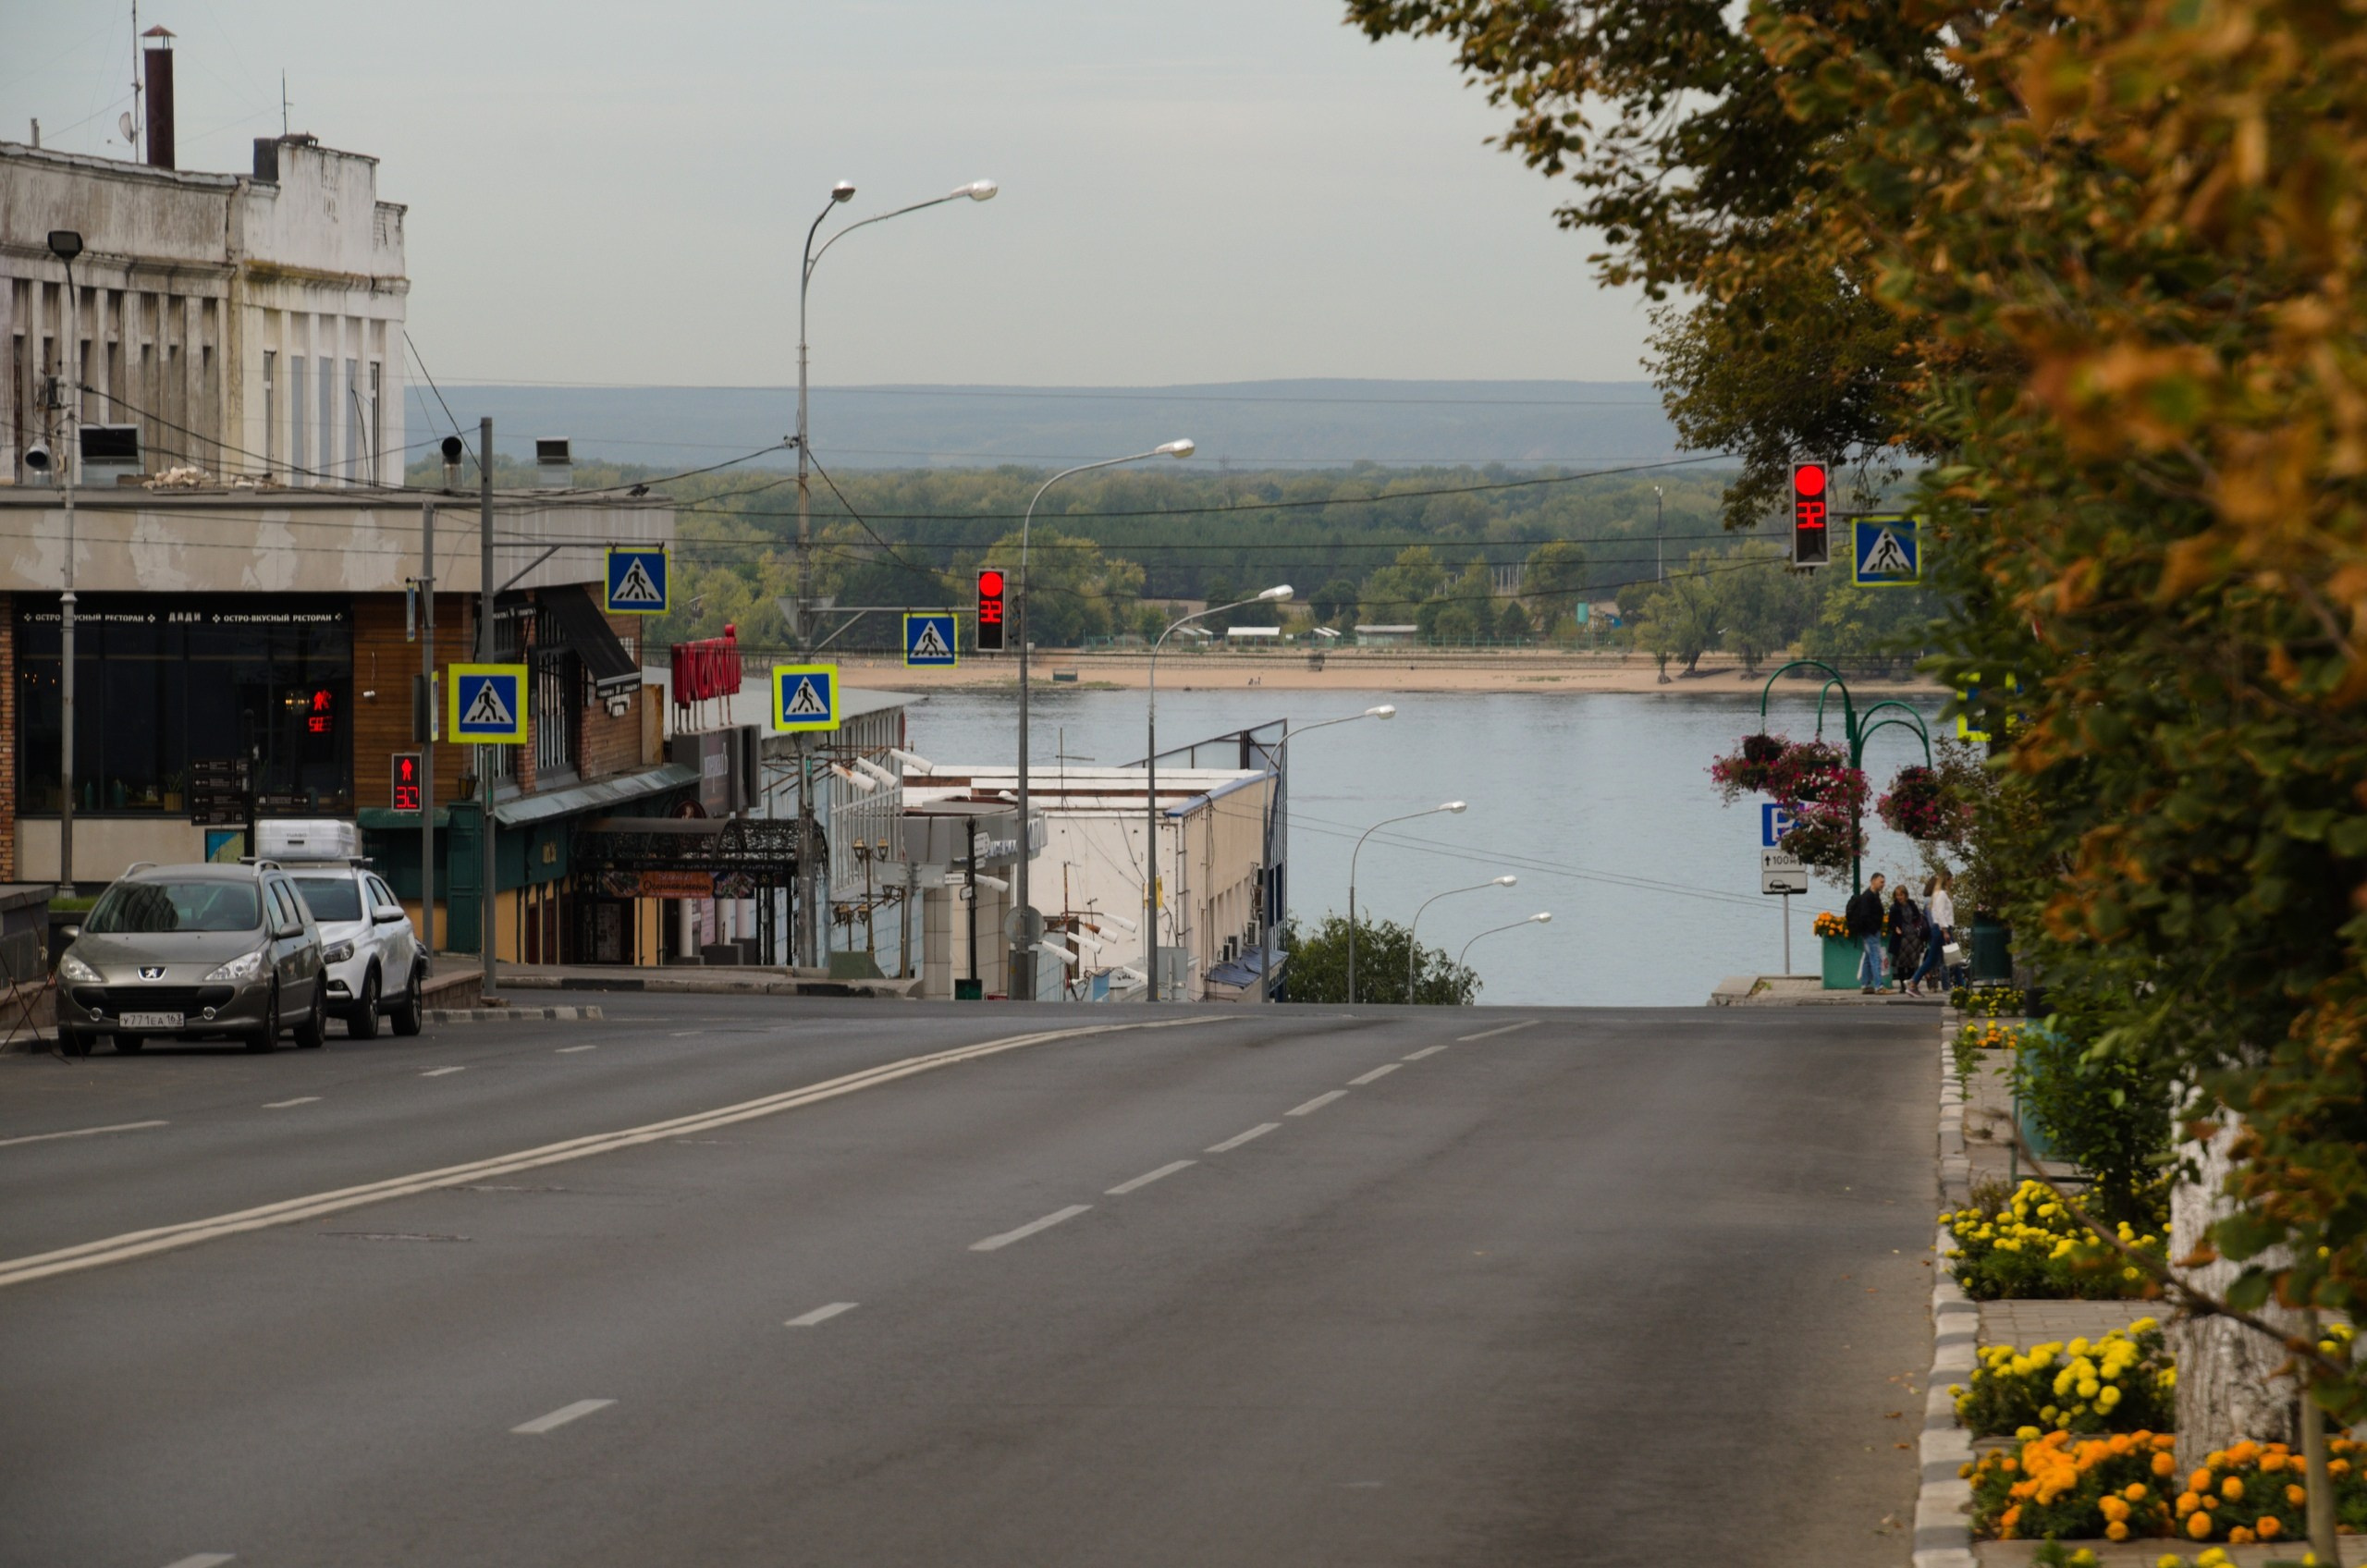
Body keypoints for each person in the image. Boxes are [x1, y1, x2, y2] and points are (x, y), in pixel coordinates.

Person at [1845, 873, 1888, 994]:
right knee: (1875, 957)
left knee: (1868, 958)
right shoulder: (1867, 897)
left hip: (1872, 931)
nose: (1883, 884)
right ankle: (1879, 986)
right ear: (1873, 881)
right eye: (1881, 882)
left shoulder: (1875, 895)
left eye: (1883, 882)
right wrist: (1873, 929)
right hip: (1870, 932)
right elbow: (1865, 916)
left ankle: (1865, 984)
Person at [1910, 873, 1950, 993]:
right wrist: (1942, 929)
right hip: (1936, 930)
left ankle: (1930, 984)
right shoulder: (1931, 900)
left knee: (1934, 958)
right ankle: (1942, 985)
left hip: (1933, 931)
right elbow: (1934, 917)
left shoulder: (1929, 899)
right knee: (1939, 959)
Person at [1888, 882, 1926, 995]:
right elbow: (1891, 922)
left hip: (1913, 936)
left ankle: (1910, 983)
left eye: (1901, 895)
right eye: (1897, 895)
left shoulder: (1912, 904)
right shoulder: (1894, 908)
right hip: (1901, 937)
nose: (1899, 897)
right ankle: (1901, 985)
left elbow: (1918, 917)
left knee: (1911, 963)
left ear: (1905, 895)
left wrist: (1918, 928)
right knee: (1901, 963)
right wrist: (1895, 928)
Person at [1927, 868, 1959, 987]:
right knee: (1947, 959)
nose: (1953, 882)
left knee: (1952, 959)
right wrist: (1945, 930)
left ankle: (1959, 984)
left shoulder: (1941, 894)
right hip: (1942, 929)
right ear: (1948, 880)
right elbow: (1940, 913)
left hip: (1944, 928)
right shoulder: (1941, 894)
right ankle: (1914, 981)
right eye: (1952, 880)